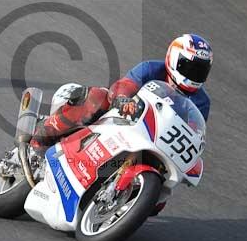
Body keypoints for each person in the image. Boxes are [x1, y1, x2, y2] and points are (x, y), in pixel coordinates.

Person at [30, 33, 213, 214]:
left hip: (156, 141)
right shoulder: (151, 69)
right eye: (189, 67)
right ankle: (40, 141)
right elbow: (125, 84)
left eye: (200, 70)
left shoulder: (202, 102)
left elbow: (192, 131)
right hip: (124, 119)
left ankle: (117, 201)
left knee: (157, 203)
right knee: (98, 98)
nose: (194, 74)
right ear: (174, 59)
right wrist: (124, 99)